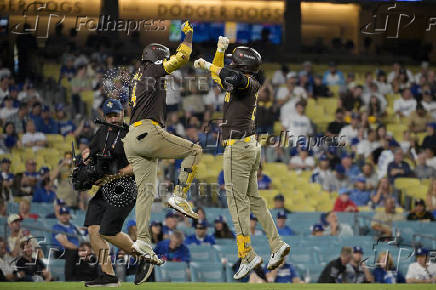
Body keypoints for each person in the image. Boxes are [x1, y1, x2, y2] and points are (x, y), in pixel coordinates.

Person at [194, 37, 290, 279]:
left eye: (234, 63)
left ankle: (247, 255)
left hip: (238, 148)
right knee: (254, 200)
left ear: (242, 66)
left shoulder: (248, 82)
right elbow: (222, 76)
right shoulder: (240, 82)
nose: (230, 67)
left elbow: (229, 75)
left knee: (236, 203)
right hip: (248, 146)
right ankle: (276, 244)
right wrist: (220, 50)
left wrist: (207, 64)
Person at [122, 22, 202, 267]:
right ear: (156, 58)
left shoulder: (139, 76)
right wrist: (187, 35)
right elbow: (182, 57)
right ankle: (179, 196)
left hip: (132, 139)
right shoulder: (152, 71)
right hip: (148, 132)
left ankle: (143, 240)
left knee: (145, 194)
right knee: (194, 150)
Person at [80, 99, 152, 286]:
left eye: (116, 114)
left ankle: (144, 258)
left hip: (126, 187)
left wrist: (116, 174)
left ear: (123, 114)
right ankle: (109, 277)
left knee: (108, 232)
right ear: (104, 116)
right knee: (93, 229)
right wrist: (86, 162)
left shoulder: (132, 134)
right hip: (106, 187)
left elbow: (140, 164)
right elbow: (91, 155)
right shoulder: (102, 132)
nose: (112, 119)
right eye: (109, 115)